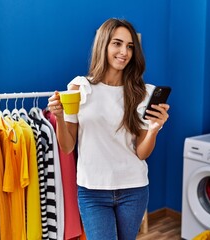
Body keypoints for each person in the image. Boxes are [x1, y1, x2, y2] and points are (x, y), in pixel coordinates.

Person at [48, 18, 170, 240]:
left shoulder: (143, 93)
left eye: (130, 46)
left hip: (134, 189)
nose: (124, 51)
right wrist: (59, 116)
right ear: (103, 44)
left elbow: (141, 153)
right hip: (92, 191)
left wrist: (153, 129)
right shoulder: (79, 87)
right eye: (117, 43)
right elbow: (67, 147)